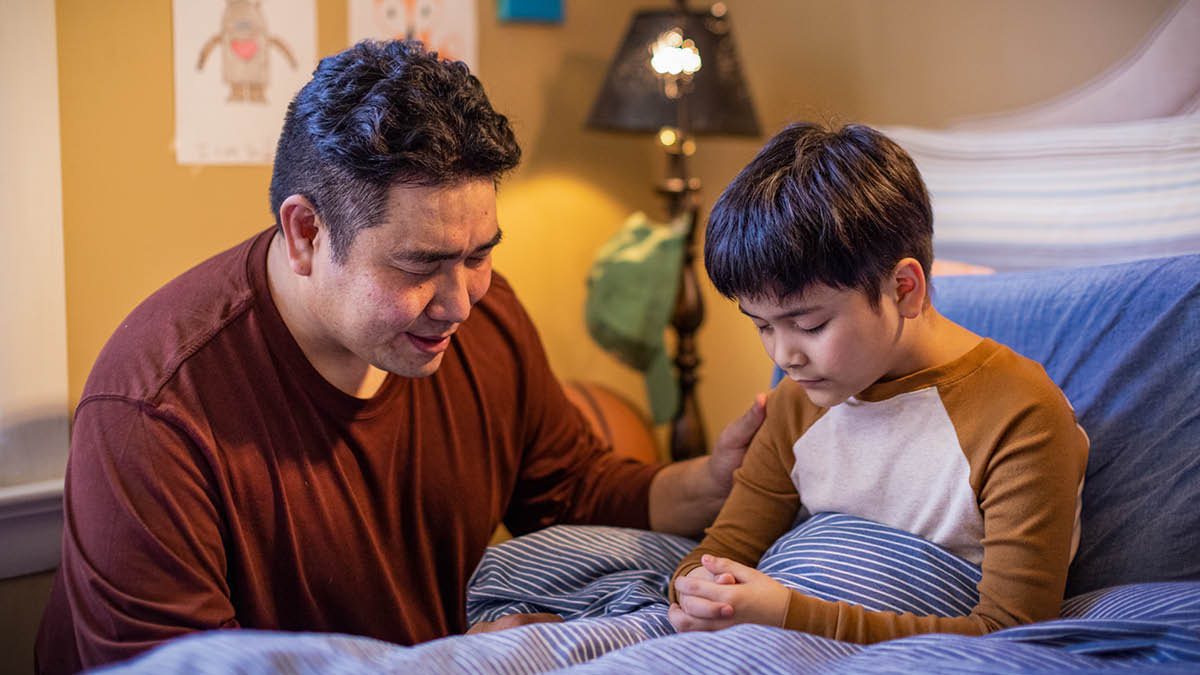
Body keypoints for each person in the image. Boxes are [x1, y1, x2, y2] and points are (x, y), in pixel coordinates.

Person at [36, 40, 763, 674]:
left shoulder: (487, 316)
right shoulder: (153, 412)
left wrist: (715, 479)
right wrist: (460, 662)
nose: (460, 300)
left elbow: (573, 488)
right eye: (419, 266)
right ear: (304, 233)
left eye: (480, 254)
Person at [667, 122, 1089, 642]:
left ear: (904, 288)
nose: (785, 356)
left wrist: (790, 615)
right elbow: (721, 549)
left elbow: (1012, 630)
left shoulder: (1021, 415)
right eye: (761, 326)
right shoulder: (795, 405)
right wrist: (695, 593)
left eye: (810, 325)